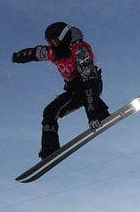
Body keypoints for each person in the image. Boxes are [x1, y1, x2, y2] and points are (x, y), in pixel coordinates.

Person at [12, 22, 111, 159]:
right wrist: (17, 57)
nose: (53, 44)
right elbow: (34, 53)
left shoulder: (79, 51)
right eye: (50, 42)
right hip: (73, 92)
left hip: (91, 87)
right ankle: (49, 148)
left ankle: (102, 113)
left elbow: (89, 82)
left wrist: (93, 115)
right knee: (50, 111)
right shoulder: (52, 53)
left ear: (64, 37)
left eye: (56, 40)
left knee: (77, 83)